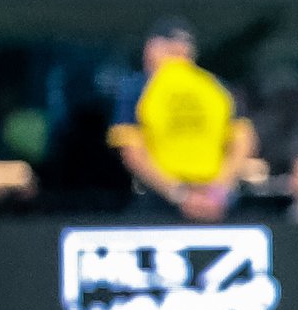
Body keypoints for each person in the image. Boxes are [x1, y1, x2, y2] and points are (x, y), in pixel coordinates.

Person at [108, 23, 255, 220]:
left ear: (153, 48)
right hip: (213, 199)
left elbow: (132, 153)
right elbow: (244, 142)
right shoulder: (216, 85)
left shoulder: (138, 88)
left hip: (162, 199)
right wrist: (217, 191)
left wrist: (181, 194)